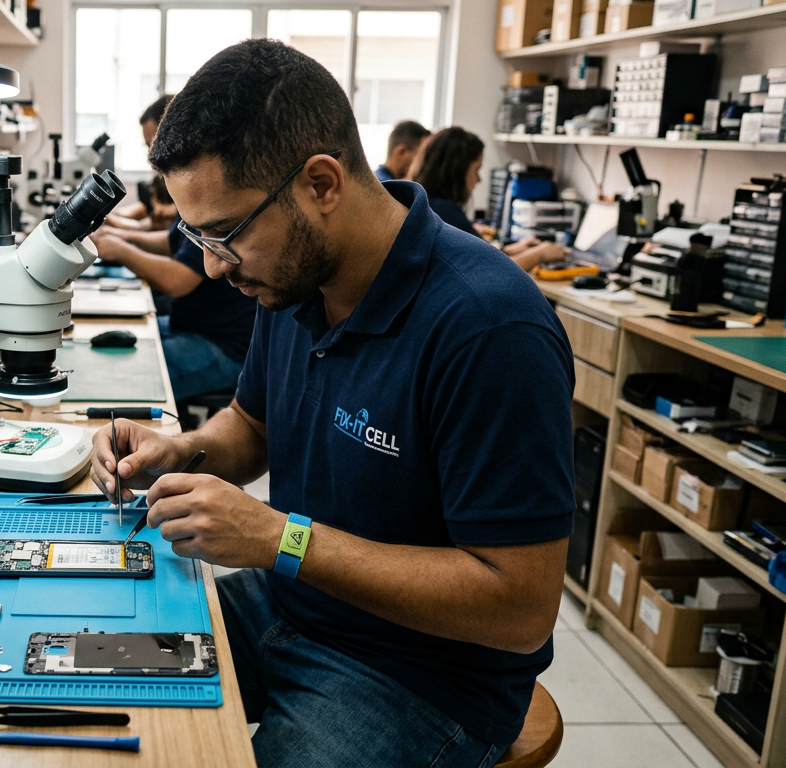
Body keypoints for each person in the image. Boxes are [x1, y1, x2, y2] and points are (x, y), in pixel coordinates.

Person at [92, 39, 573, 768]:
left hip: (420, 676)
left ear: (321, 183)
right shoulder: (288, 279)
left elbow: (519, 608)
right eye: (200, 237)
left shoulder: (489, 328)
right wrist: (183, 447)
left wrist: (281, 538)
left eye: (227, 235)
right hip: (290, 607)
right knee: (75, 671)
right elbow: (250, 426)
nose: (216, 267)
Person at [90, 212, 256, 401]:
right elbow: (171, 242)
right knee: (103, 351)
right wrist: (120, 237)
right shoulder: (194, 207)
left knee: (123, 378)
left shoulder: (214, 210)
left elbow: (176, 282)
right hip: (183, 325)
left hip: (223, 346)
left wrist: (121, 250)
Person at [411, 126, 569, 271]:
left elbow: (475, 256)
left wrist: (509, 250)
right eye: (476, 170)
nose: (478, 180)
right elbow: (492, 270)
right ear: (456, 173)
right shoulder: (444, 213)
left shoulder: (424, 203)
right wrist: (539, 254)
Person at [107, 95, 177, 230]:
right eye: (148, 147)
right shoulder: (161, 180)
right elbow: (145, 212)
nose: (152, 156)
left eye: (154, 146)